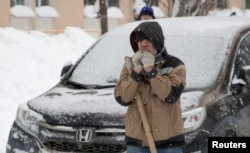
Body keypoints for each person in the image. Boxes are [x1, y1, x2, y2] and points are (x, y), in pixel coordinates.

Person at [114, 21, 186, 153]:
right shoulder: (130, 66)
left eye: (147, 39)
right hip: (137, 142)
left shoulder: (175, 65)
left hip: (169, 142)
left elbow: (171, 95)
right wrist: (135, 75)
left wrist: (151, 72)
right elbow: (122, 98)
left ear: (157, 41)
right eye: (139, 41)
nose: (143, 44)